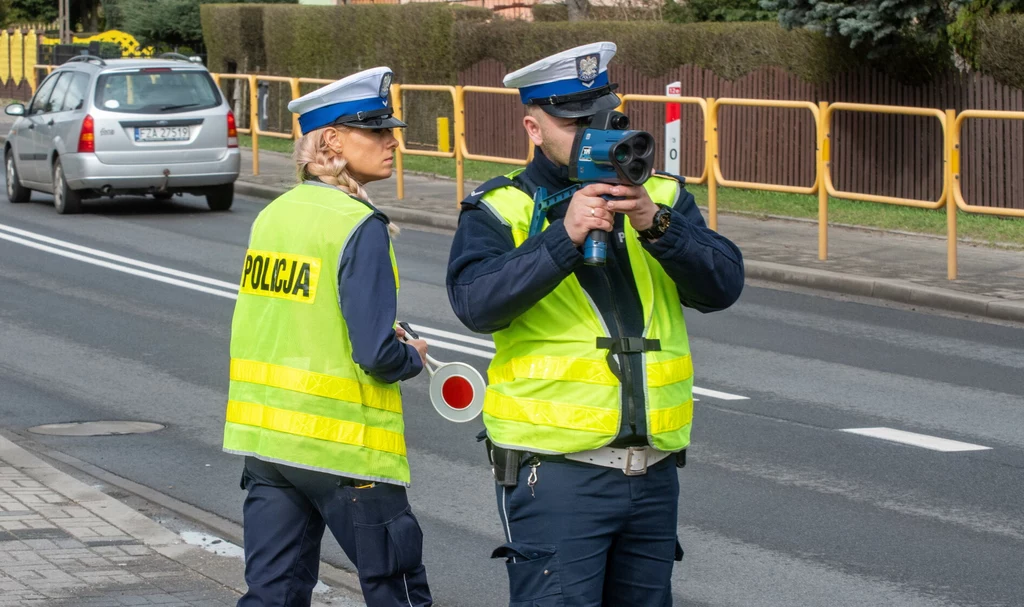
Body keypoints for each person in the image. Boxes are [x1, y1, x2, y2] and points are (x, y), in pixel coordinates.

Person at [446, 42, 745, 606]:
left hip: (653, 471)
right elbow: (474, 303)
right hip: (555, 473)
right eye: (575, 121)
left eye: (605, 116)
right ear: (534, 127)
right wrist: (563, 238)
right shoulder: (503, 205)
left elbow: (722, 287)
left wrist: (658, 225)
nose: (594, 132)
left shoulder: (660, 197)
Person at [222, 67, 433, 607]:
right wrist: (410, 356)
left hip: (270, 446)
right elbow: (375, 355)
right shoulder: (358, 223)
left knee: (273, 596)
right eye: (376, 131)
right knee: (398, 594)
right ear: (332, 142)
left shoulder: (272, 215)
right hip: (343, 453)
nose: (392, 142)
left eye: (391, 131)